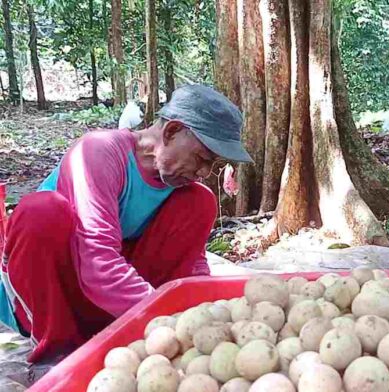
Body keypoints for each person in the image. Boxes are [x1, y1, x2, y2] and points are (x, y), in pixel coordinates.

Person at [0, 84, 252, 363]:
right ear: (171, 132)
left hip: (105, 303)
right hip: (51, 298)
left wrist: (201, 314)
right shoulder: (99, 152)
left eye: (212, 164)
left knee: (200, 201)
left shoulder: (181, 186)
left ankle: (115, 331)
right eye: (201, 159)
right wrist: (166, 317)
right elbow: (98, 262)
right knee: (42, 211)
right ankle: (57, 349)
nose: (204, 172)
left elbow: (192, 266)